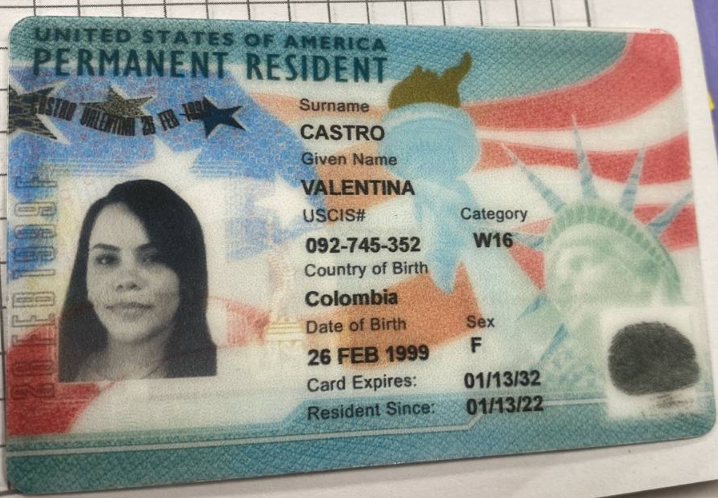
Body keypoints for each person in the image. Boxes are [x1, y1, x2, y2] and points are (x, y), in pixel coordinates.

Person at [58, 179, 217, 382]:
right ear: (85, 279)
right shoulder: (64, 373)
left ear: (186, 278)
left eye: (152, 258)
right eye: (106, 259)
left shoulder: (227, 371)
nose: (127, 280)